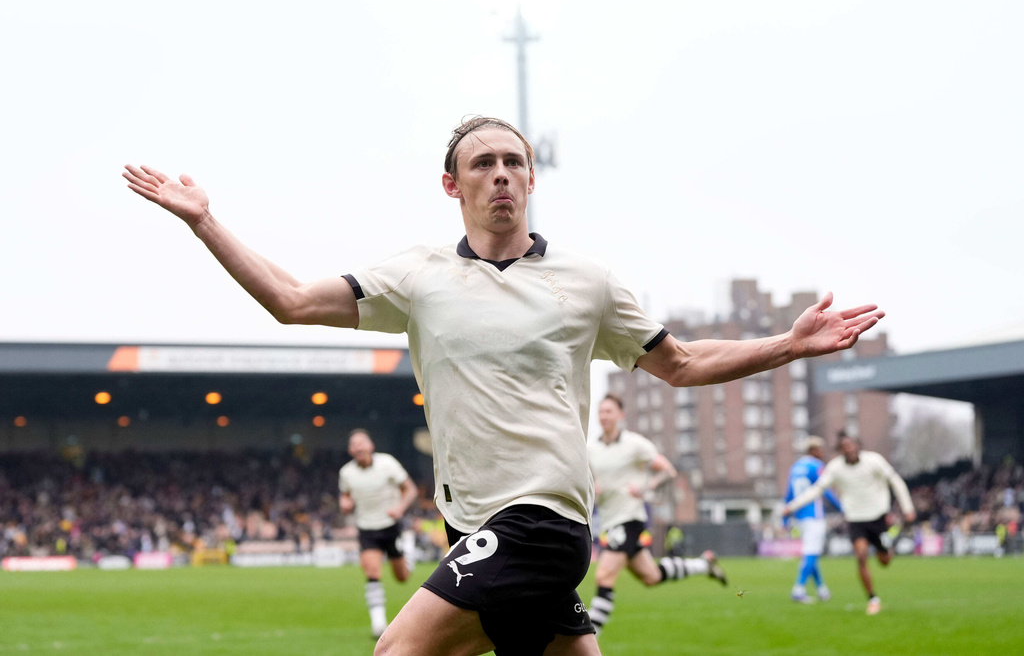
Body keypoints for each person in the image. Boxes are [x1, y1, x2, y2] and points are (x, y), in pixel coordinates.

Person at [123, 115, 884, 656]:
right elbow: (290, 301)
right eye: (483, 163)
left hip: (540, 520)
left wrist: (787, 345)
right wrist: (204, 221)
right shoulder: (417, 276)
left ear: (530, 179)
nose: (500, 175)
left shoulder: (586, 282)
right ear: (452, 184)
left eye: (513, 162)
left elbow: (679, 364)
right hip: (473, 526)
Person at [587, 393, 726, 637]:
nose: (603, 416)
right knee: (650, 576)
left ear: (621, 415)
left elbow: (668, 471)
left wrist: (645, 488)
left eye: (609, 411)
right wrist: (593, 490)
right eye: (600, 411)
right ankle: (703, 564)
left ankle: (586, 641)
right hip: (609, 521)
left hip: (629, 518)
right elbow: (591, 482)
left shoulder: (635, 444)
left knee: (604, 574)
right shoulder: (592, 449)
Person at [783, 431, 915, 615]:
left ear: (858, 446)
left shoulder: (874, 460)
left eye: (852, 446)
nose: (850, 450)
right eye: (845, 448)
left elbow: (896, 481)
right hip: (855, 519)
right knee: (861, 555)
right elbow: (818, 489)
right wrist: (792, 506)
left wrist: (908, 508)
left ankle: (886, 550)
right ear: (840, 451)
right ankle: (872, 598)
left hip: (877, 516)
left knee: (884, 560)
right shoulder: (835, 468)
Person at [338, 429, 419, 638]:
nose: (358, 447)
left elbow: (410, 489)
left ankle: (408, 551)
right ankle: (378, 623)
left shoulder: (387, 463)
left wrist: (400, 508)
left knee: (402, 577)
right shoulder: (346, 473)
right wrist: (345, 504)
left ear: (371, 445)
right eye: (354, 444)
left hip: (390, 525)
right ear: (350, 450)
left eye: (361, 442)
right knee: (372, 572)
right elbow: (345, 497)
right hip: (366, 528)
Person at [783, 435, 841, 604]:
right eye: (820, 449)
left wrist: (785, 516)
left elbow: (788, 494)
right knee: (811, 552)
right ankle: (798, 589)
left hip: (799, 516)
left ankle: (822, 589)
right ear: (813, 450)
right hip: (814, 514)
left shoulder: (795, 467)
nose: (822, 452)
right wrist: (841, 507)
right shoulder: (816, 466)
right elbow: (825, 489)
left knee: (811, 552)